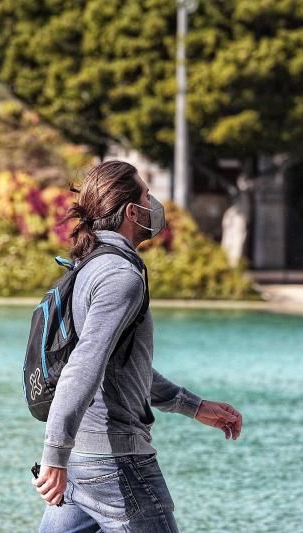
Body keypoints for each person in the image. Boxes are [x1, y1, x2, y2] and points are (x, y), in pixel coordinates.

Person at [32, 160, 244, 532]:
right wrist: (54, 454)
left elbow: (122, 368)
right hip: (117, 463)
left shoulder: (89, 266)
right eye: (147, 194)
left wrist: (192, 406)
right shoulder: (119, 276)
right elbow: (83, 365)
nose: (153, 203)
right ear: (132, 211)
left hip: (84, 460)